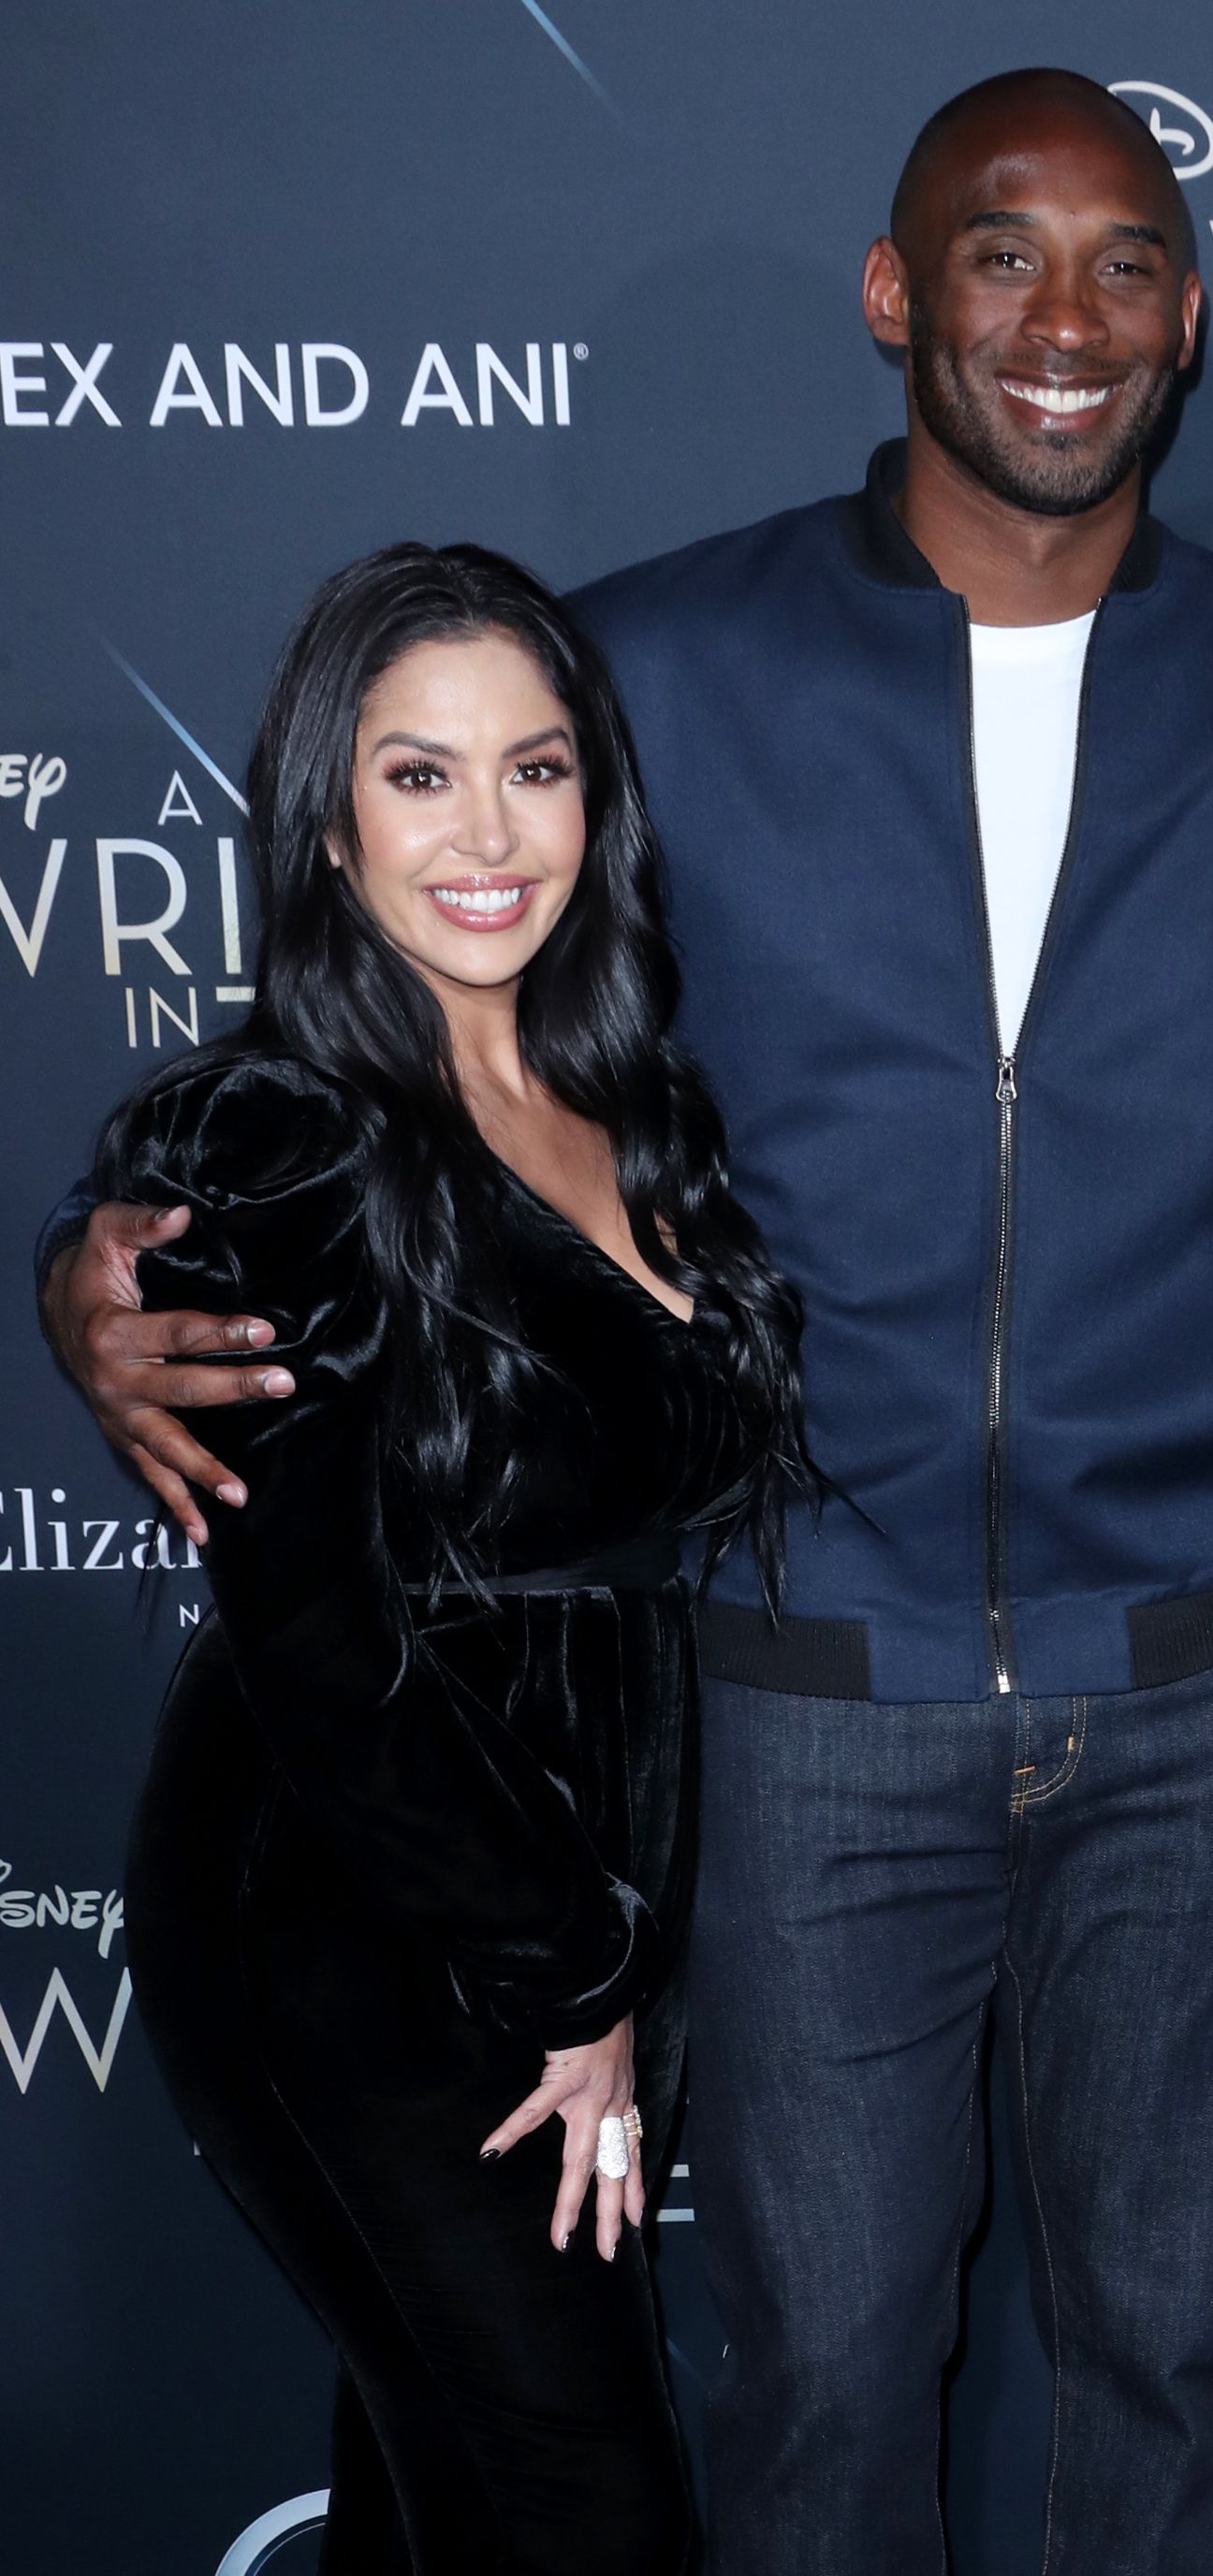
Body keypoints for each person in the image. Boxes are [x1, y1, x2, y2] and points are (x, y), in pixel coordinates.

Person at [39, 69, 1213, 2576]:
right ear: (894, 298)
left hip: (1203, 1683)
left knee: (1173, 2386)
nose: (1061, 322)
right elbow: (381, 1048)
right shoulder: (638, 670)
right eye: (997, 255)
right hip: (797, 1693)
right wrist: (91, 1275)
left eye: (1122, 265)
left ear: (1192, 315)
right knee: (823, 2386)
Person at [93, 544, 807, 2574]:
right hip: (360, 1920)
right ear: (326, 821)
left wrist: (603, 1959)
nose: (489, 836)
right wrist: (572, 1969)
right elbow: (321, 1644)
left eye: (537, 768)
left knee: (445, 2501)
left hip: (556, 1914)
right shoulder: (279, 1137)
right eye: (420, 778)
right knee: (580, 2521)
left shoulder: (623, 1096)